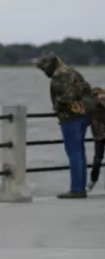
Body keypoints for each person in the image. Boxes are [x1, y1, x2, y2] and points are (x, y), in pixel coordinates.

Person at [36, 53, 93, 198]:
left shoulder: (59, 75)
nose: (44, 72)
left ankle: (76, 189)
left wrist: (57, 108)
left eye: (44, 69)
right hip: (84, 115)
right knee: (80, 152)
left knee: (73, 152)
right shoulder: (73, 71)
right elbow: (87, 90)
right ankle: (81, 187)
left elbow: (64, 98)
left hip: (70, 117)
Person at [87, 87, 105, 191]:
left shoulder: (98, 96)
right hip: (98, 134)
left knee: (97, 159)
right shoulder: (91, 100)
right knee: (97, 159)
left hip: (99, 134)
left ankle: (92, 182)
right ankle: (92, 181)